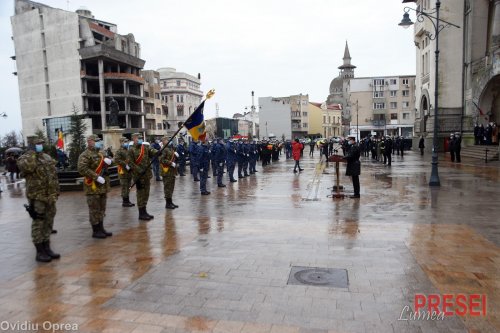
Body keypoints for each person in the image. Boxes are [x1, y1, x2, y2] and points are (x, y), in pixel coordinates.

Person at [17, 138, 60, 262]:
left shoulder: (46, 157)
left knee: (49, 220)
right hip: (37, 196)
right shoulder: (25, 158)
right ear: (31, 145)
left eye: (41, 143)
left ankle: (47, 247)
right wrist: (31, 153)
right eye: (38, 144)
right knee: (38, 222)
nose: (41, 145)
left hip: (50, 195)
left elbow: (53, 175)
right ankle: (39, 251)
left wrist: (56, 190)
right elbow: (27, 168)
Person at [77, 135, 113, 239]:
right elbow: (82, 169)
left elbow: (108, 163)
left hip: (102, 186)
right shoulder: (85, 155)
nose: (98, 142)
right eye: (95, 141)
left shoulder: (101, 153)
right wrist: (96, 177)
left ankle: (101, 228)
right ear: (89, 142)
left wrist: (109, 162)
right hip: (92, 187)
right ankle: (95, 231)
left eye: (98, 141)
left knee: (102, 208)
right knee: (94, 209)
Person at [128, 133, 158, 220]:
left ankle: (144, 211)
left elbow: (152, 151)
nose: (140, 139)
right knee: (141, 194)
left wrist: (158, 152)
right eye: (138, 138)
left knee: (146, 193)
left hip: (147, 175)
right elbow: (130, 163)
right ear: (133, 139)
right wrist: (139, 169)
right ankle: (141, 213)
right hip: (138, 176)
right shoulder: (131, 150)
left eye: (141, 138)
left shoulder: (145, 147)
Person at [114, 137, 135, 207]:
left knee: (128, 186)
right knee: (124, 187)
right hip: (123, 172)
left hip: (129, 172)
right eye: (125, 142)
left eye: (127, 141)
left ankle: (127, 200)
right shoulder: (119, 151)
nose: (126, 143)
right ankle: (125, 201)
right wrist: (125, 164)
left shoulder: (128, 150)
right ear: (121, 142)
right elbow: (116, 160)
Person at [160, 136, 178, 209]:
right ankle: (168, 203)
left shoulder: (170, 148)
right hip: (166, 171)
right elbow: (161, 160)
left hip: (171, 171)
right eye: (167, 140)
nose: (168, 141)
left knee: (171, 187)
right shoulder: (163, 149)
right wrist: (170, 163)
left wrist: (176, 156)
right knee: (167, 187)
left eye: (168, 139)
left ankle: (170, 202)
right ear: (163, 141)